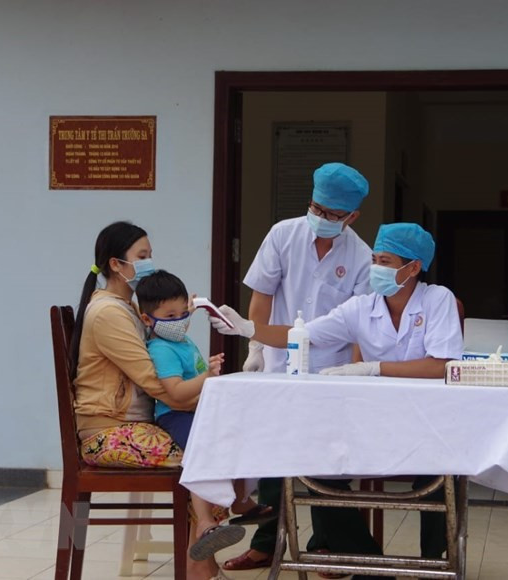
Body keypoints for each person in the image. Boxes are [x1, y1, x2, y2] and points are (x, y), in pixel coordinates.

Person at [212, 222, 463, 578]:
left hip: (426, 422)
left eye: (386, 261)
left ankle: (434, 562)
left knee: (437, 475)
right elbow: (303, 335)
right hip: (372, 421)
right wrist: (249, 330)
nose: (376, 267)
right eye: (375, 258)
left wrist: (374, 368)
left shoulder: (438, 300)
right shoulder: (361, 307)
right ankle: (369, 562)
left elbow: (441, 365)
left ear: (413, 267)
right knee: (316, 466)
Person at [223, 162, 373, 572]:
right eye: (316, 208)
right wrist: (255, 343)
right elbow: (261, 297)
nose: (321, 219)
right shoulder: (283, 234)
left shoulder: (361, 256)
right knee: (275, 455)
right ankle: (267, 544)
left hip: (331, 368)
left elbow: (359, 322)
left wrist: (357, 370)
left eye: (332, 215)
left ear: (352, 217)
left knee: (324, 460)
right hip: (279, 361)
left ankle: (326, 545)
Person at [70, 221, 237, 580]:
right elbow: (157, 383)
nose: (148, 263)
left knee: (212, 447)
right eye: (141, 257)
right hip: (107, 433)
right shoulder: (109, 313)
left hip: (131, 424)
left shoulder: (127, 307)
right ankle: (199, 565)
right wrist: (200, 399)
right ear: (116, 264)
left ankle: (202, 562)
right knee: (212, 452)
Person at [135, 271, 274, 536]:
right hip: (176, 415)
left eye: (183, 314)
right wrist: (206, 376)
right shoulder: (162, 349)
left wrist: (195, 307)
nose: (179, 321)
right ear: (146, 319)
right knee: (201, 452)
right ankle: (204, 520)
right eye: (170, 317)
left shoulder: (181, 340)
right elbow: (175, 392)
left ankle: (241, 500)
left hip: (196, 409)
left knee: (240, 431)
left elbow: (183, 310)